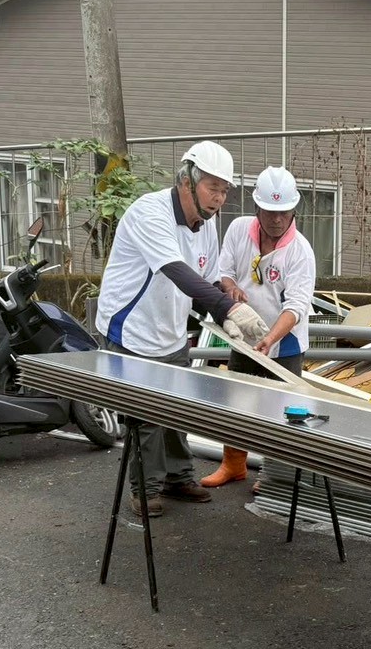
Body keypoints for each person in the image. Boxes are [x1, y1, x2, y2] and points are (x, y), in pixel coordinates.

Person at [95, 140, 269, 517]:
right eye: (212, 187)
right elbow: (176, 271)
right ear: (187, 181)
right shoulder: (150, 213)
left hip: (170, 328)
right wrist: (228, 307)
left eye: (224, 190)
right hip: (132, 328)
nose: (219, 198)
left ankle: (177, 477)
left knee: (175, 408)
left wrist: (223, 315)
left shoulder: (205, 224)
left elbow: (206, 279)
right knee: (147, 414)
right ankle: (145, 490)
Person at [201, 166, 317, 488]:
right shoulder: (239, 229)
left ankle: (273, 477)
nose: (277, 219)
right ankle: (233, 464)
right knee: (238, 403)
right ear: (257, 208)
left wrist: (270, 338)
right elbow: (224, 271)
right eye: (269, 212)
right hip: (244, 335)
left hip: (285, 342)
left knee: (283, 412)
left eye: (284, 212)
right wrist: (230, 289)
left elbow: (296, 306)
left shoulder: (300, 252)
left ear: (294, 210)